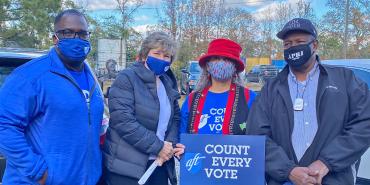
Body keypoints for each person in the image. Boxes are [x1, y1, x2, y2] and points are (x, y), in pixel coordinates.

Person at [247, 18, 370, 185]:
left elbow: (364, 123)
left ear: (315, 45)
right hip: (284, 181)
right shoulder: (270, 89)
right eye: (288, 44)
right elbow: (257, 134)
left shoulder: (345, 80)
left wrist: (327, 162)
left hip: (334, 179)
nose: (293, 47)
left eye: (299, 41)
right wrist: (288, 170)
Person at [0, 9, 104, 185]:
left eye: (82, 33)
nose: (76, 39)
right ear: (55, 38)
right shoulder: (30, 76)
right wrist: (37, 171)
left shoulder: (91, 77)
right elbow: (4, 125)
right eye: (68, 32)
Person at [103, 31, 185, 185]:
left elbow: (175, 118)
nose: (162, 59)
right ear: (144, 54)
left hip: (159, 164)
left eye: (166, 56)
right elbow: (123, 121)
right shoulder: (127, 78)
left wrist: (169, 147)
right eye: (157, 53)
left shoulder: (167, 83)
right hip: (127, 168)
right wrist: (158, 146)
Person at [180, 38, 256, 135]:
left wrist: (242, 128)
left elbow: (257, 131)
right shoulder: (192, 99)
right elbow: (182, 136)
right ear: (207, 66)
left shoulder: (249, 98)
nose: (221, 63)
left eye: (227, 59)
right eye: (216, 58)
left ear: (235, 67)